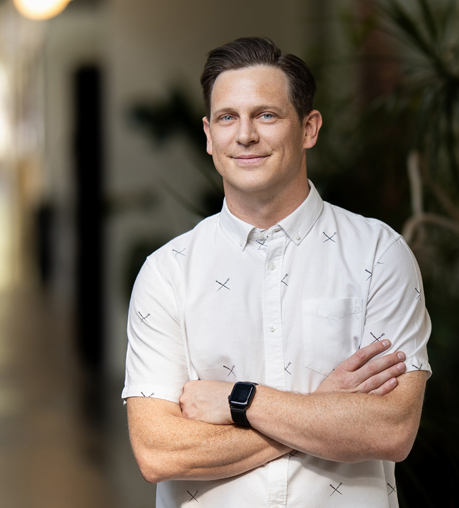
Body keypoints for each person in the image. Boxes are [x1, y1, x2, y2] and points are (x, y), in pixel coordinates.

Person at [123, 37, 431, 508]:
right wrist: (322, 410)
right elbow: (158, 452)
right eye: (228, 117)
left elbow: (390, 430)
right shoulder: (167, 273)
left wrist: (238, 401)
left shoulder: (379, 255)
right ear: (209, 135)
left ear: (308, 128)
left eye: (266, 115)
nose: (245, 135)